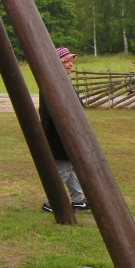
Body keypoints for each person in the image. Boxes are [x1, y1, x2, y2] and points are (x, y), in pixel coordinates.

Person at [40, 47, 90, 212]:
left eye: (70, 61)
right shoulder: (55, 84)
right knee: (64, 168)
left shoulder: (58, 81)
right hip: (60, 135)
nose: (70, 65)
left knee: (69, 167)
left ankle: (78, 200)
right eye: (65, 62)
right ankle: (50, 203)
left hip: (65, 133)